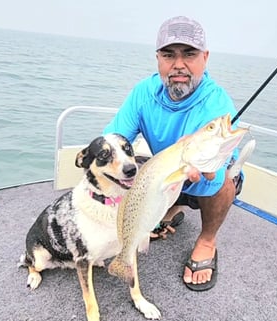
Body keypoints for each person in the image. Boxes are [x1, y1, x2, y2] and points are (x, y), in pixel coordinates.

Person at [103, 16, 242, 291]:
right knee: (132, 170)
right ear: (158, 59)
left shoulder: (218, 103)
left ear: (205, 57)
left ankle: (206, 241)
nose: (179, 64)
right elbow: (114, 142)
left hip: (200, 175)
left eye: (189, 54)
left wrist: (206, 171)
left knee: (223, 182)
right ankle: (164, 212)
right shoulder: (143, 92)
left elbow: (212, 171)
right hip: (168, 175)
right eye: (169, 55)